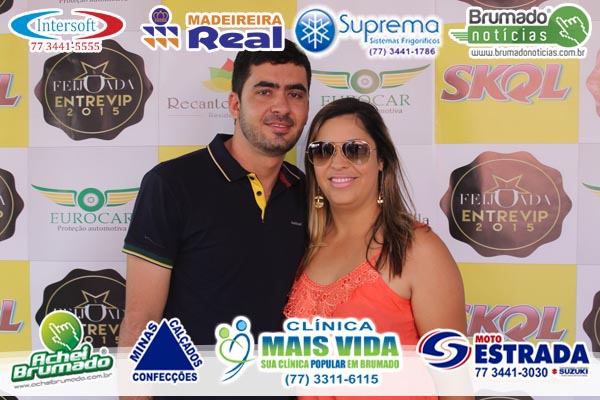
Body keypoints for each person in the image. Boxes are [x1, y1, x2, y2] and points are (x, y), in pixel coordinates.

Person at [119, 39, 311, 399]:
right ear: (235, 104)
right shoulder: (172, 184)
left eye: (295, 94)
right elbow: (140, 323)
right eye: (265, 91)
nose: (282, 107)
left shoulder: (308, 192)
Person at [284, 98, 472, 400]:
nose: (337, 163)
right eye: (323, 151)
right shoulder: (306, 245)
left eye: (355, 150)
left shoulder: (418, 249)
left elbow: (456, 387)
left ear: (381, 159)